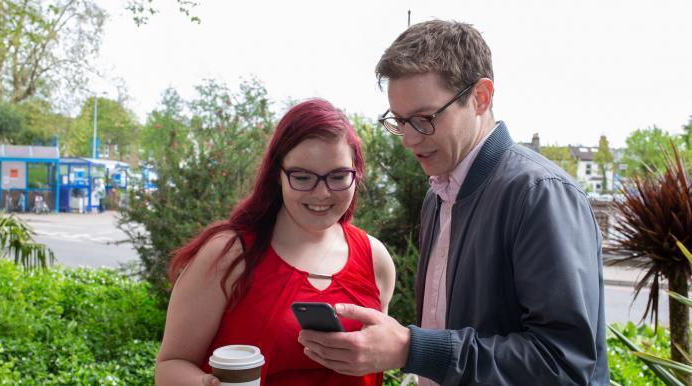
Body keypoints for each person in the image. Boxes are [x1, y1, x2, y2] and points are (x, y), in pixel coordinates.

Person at [298, 20, 609, 385]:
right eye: (400, 121)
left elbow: (563, 365)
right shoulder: (437, 197)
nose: (409, 139)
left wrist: (412, 349)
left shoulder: (539, 194)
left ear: (480, 97)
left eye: (425, 119)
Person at [155, 99, 396, 386]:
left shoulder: (375, 258)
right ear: (277, 175)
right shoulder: (228, 254)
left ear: (356, 173)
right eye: (303, 177)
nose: (322, 193)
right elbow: (170, 366)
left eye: (338, 176)